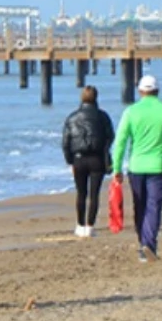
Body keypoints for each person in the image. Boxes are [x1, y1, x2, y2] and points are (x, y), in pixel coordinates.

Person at [111, 74, 162, 263]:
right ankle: (148, 244)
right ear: (157, 90)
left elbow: (120, 142)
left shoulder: (131, 112)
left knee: (140, 206)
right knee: (154, 207)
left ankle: (144, 244)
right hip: (159, 165)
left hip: (137, 166)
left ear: (140, 91)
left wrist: (116, 168)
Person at [61, 85, 115, 238]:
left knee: (81, 193)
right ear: (96, 98)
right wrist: (105, 150)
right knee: (94, 193)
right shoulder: (102, 116)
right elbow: (110, 136)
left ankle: (80, 225)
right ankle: (90, 226)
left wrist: (70, 161)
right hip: (97, 158)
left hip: (79, 158)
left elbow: (65, 142)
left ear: (81, 98)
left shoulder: (72, 117)